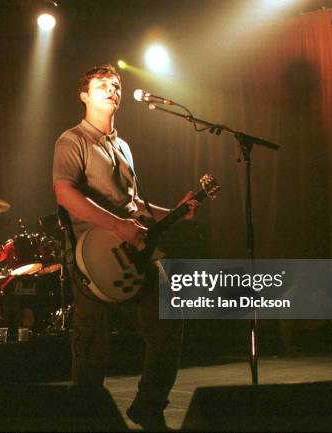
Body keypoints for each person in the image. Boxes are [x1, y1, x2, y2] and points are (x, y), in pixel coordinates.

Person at [52, 64, 198, 430]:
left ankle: (149, 406)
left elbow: (135, 208)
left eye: (116, 85)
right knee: (91, 348)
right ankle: (88, 420)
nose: (112, 89)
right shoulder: (71, 140)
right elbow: (64, 192)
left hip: (133, 255)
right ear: (84, 96)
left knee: (168, 322)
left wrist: (176, 210)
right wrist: (117, 225)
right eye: (102, 85)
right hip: (92, 257)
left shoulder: (124, 146)